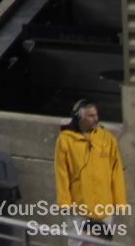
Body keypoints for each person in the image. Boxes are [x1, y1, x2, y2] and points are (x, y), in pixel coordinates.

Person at [53, 99, 125, 238]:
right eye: (90, 116)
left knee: (103, 242)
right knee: (78, 241)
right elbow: (62, 173)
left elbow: (116, 171)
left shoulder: (107, 138)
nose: (96, 119)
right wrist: (64, 203)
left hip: (104, 206)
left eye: (96, 115)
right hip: (79, 207)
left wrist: (119, 201)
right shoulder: (65, 140)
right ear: (79, 117)